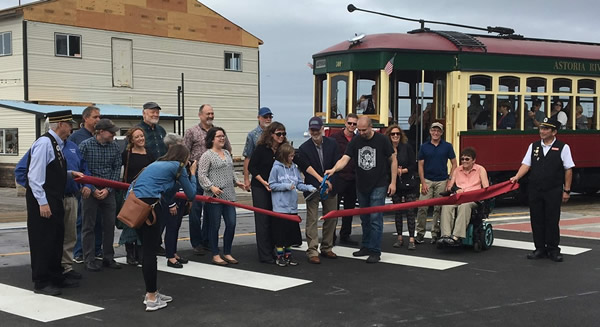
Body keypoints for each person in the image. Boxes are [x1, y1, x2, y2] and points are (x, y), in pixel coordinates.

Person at [129, 144, 197, 311]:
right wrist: (192, 173)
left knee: (148, 250)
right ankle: (151, 297)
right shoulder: (177, 167)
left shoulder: (157, 164)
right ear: (184, 157)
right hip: (149, 206)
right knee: (150, 253)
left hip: (133, 206)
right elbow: (191, 194)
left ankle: (152, 292)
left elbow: (167, 193)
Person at [325, 116, 397, 264]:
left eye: (364, 130)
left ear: (371, 127)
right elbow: (345, 158)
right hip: (361, 184)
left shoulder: (382, 140)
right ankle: (366, 245)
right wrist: (333, 169)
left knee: (375, 218)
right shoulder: (356, 141)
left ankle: (375, 251)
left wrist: (393, 182)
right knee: (364, 217)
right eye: (360, 129)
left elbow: (393, 159)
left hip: (379, 183)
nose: (362, 132)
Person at [25, 110, 81, 295]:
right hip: (43, 199)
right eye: (69, 124)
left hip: (54, 198)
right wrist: (42, 202)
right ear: (60, 125)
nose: (71, 128)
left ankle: (56, 275)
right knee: (43, 240)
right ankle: (41, 281)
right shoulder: (44, 144)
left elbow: (51, 171)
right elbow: (34, 176)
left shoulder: (57, 144)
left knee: (56, 238)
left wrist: (69, 174)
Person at [248, 122, 317, 263]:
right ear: (271, 134)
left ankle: (277, 251)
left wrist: (319, 178)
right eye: (278, 133)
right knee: (263, 221)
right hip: (262, 186)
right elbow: (252, 167)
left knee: (276, 221)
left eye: (284, 134)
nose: (281, 136)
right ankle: (265, 254)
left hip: (277, 189)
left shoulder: (283, 149)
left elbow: (302, 164)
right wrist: (263, 182)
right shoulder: (262, 149)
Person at [510, 118, 574, 262]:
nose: (542, 132)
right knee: (537, 219)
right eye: (541, 129)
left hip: (553, 189)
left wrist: (567, 190)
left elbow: (568, 169)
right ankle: (539, 248)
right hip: (535, 189)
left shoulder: (563, 147)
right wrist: (516, 177)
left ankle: (553, 249)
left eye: (546, 129)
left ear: (554, 132)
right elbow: (526, 165)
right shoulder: (533, 146)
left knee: (552, 220)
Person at [183, 104, 232, 255]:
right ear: (200, 115)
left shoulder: (218, 132)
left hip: (215, 176)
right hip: (197, 175)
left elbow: (228, 149)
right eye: (207, 114)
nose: (210, 116)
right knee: (195, 211)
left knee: (211, 212)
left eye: (212, 113)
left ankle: (207, 241)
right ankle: (197, 242)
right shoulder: (191, 132)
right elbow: (184, 152)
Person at [79, 119, 122, 272]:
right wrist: (90, 187)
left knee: (109, 225)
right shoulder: (85, 146)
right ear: (101, 131)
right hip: (89, 191)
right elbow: (80, 169)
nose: (113, 134)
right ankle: (88, 258)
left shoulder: (115, 147)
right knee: (88, 225)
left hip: (108, 189)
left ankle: (108, 257)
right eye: (111, 132)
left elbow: (117, 169)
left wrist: (109, 189)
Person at [198, 127, 245, 266]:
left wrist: (237, 182)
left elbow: (231, 170)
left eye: (223, 136)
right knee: (215, 225)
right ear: (212, 138)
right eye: (219, 136)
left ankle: (227, 251)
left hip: (229, 195)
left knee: (231, 223)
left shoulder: (226, 153)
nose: (222, 138)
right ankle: (215, 253)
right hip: (214, 197)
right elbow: (202, 175)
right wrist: (211, 187)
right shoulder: (207, 155)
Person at [297, 116, 340, 264]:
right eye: (312, 130)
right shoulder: (304, 148)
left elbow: (337, 165)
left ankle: (327, 247)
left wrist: (330, 183)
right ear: (309, 130)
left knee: (331, 218)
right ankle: (312, 250)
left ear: (323, 129)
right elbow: (305, 169)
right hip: (312, 188)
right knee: (312, 219)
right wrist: (321, 184)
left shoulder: (332, 144)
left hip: (331, 186)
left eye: (317, 129)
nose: (315, 132)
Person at [269, 143, 316, 267]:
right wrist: (285, 186)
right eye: (290, 156)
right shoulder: (276, 168)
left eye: (293, 156)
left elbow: (299, 184)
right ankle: (280, 256)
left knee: (290, 234)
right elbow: (272, 185)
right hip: (280, 207)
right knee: (280, 235)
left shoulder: (294, 168)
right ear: (284, 156)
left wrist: (308, 188)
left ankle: (288, 255)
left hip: (292, 207)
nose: (292, 158)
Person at [69, 105, 102, 264]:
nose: (98, 120)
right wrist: (84, 185)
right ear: (86, 118)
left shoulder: (100, 136)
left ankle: (96, 249)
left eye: (99, 117)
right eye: (95, 117)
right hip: (84, 185)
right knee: (82, 220)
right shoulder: (76, 138)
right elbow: (75, 163)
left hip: (99, 184)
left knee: (98, 220)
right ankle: (79, 251)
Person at [415, 122, 457, 244]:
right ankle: (420, 233)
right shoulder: (424, 146)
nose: (435, 133)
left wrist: (450, 179)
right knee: (422, 207)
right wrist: (422, 182)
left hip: (442, 180)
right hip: (427, 179)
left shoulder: (447, 146)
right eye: (433, 130)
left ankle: (435, 233)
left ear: (442, 133)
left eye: (438, 131)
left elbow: (454, 163)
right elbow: (420, 165)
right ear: (430, 131)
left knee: (438, 209)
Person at [119, 127, 155, 266]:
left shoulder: (149, 154)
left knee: (142, 223)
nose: (141, 139)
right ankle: (129, 253)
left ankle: (141, 253)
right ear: (131, 140)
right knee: (130, 223)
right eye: (137, 137)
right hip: (130, 193)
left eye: (142, 136)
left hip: (146, 193)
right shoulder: (127, 154)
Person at [439, 147, 489, 245]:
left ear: (473, 160)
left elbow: (486, 187)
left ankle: (456, 236)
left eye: (467, 159)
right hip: (458, 197)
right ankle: (445, 235)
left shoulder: (480, 169)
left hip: (472, 199)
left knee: (464, 206)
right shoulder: (457, 170)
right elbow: (449, 187)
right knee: (446, 206)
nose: (464, 161)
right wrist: (456, 189)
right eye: (462, 159)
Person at [160, 133, 191, 269]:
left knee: (176, 226)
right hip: (170, 199)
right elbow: (167, 186)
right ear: (171, 146)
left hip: (181, 197)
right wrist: (171, 203)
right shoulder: (167, 162)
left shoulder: (180, 161)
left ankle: (173, 252)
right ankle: (170, 257)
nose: (182, 146)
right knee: (171, 227)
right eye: (179, 144)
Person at [385, 125, 418, 250]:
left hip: (408, 183)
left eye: (397, 134)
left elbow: (413, 165)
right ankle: (399, 237)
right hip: (395, 185)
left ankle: (411, 239)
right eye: (392, 134)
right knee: (397, 212)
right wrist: (392, 172)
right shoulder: (387, 149)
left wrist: (403, 170)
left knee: (410, 211)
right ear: (389, 136)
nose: (395, 136)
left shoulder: (407, 147)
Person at [330, 113, 359, 245]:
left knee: (349, 209)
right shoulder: (334, 138)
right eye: (350, 123)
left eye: (354, 124)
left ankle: (345, 235)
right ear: (345, 123)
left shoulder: (358, 139)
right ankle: (331, 236)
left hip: (353, 178)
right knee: (334, 209)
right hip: (339, 178)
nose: (352, 126)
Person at [243, 107, 273, 190]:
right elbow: (248, 157)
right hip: (258, 175)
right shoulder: (252, 135)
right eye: (265, 117)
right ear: (259, 118)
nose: (268, 119)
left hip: (273, 175)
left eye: (270, 117)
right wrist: (246, 179)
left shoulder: (275, 133)